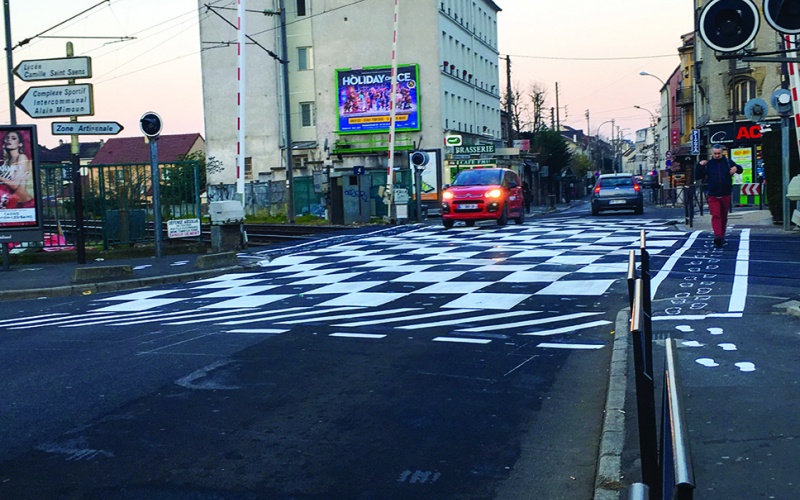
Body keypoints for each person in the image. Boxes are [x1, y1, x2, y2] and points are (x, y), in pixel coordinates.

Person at [695, 144, 742, 247]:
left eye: (718, 154)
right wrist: (699, 165)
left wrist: (736, 168)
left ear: (722, 153)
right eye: (715, 153)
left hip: (725, 193)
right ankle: (718, 236)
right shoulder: (709, 164)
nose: (716, 155)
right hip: (712, 194)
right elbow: (697, 176)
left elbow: (740, 169)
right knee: (716, 215)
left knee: (723, 216)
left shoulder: (728, 162)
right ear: (712, 153)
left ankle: (721, 235)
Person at [0, 130, 34, 210]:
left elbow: (15, 184)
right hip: (11, 202)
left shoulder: (22, 157)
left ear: (20, 144)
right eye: (7, 138)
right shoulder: (7, 162)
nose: (9, 140)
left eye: (13, 138)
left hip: (25, 203)